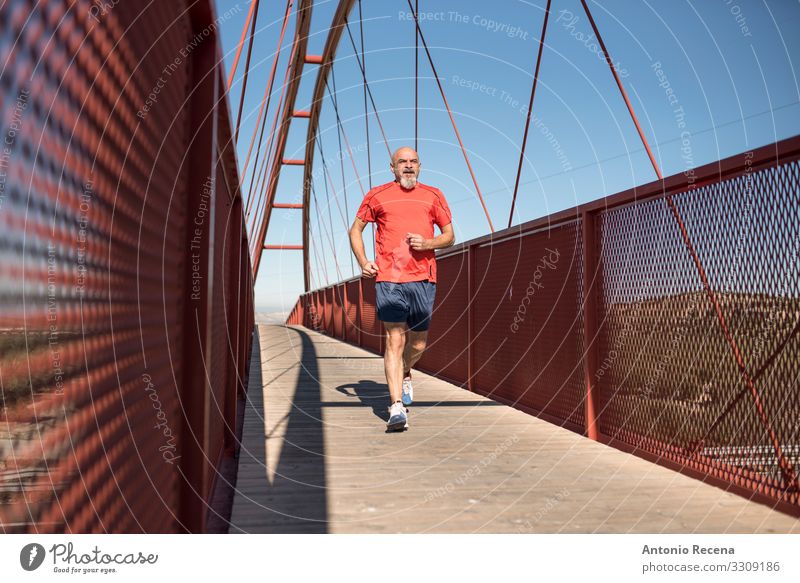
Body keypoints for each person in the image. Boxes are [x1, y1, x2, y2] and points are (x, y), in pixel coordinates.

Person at [349, 147, 455, 432]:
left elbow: (450, 237)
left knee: (418, 343)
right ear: (392, 167)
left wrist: (427, 243)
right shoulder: (377, 195)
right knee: (394, 339)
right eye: (401, 162)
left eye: (412, 162)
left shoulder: (433, 195)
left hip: (423, 278)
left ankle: (406, 371)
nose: (407, 166)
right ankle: (396, 406)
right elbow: (355, 230)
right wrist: (364, 261)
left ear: (420, 166)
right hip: (389, 279)